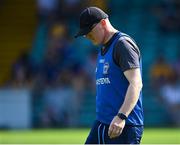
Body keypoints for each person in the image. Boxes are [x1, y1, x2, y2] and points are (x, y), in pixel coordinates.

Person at [75, 7, 144, 144]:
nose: (87, 36)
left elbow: (136, 83)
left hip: (123, 126)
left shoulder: (122, 44)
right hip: (102, 123)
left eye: (89, 32)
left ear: (103, 23)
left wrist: (121, 116)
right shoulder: (103, 48)